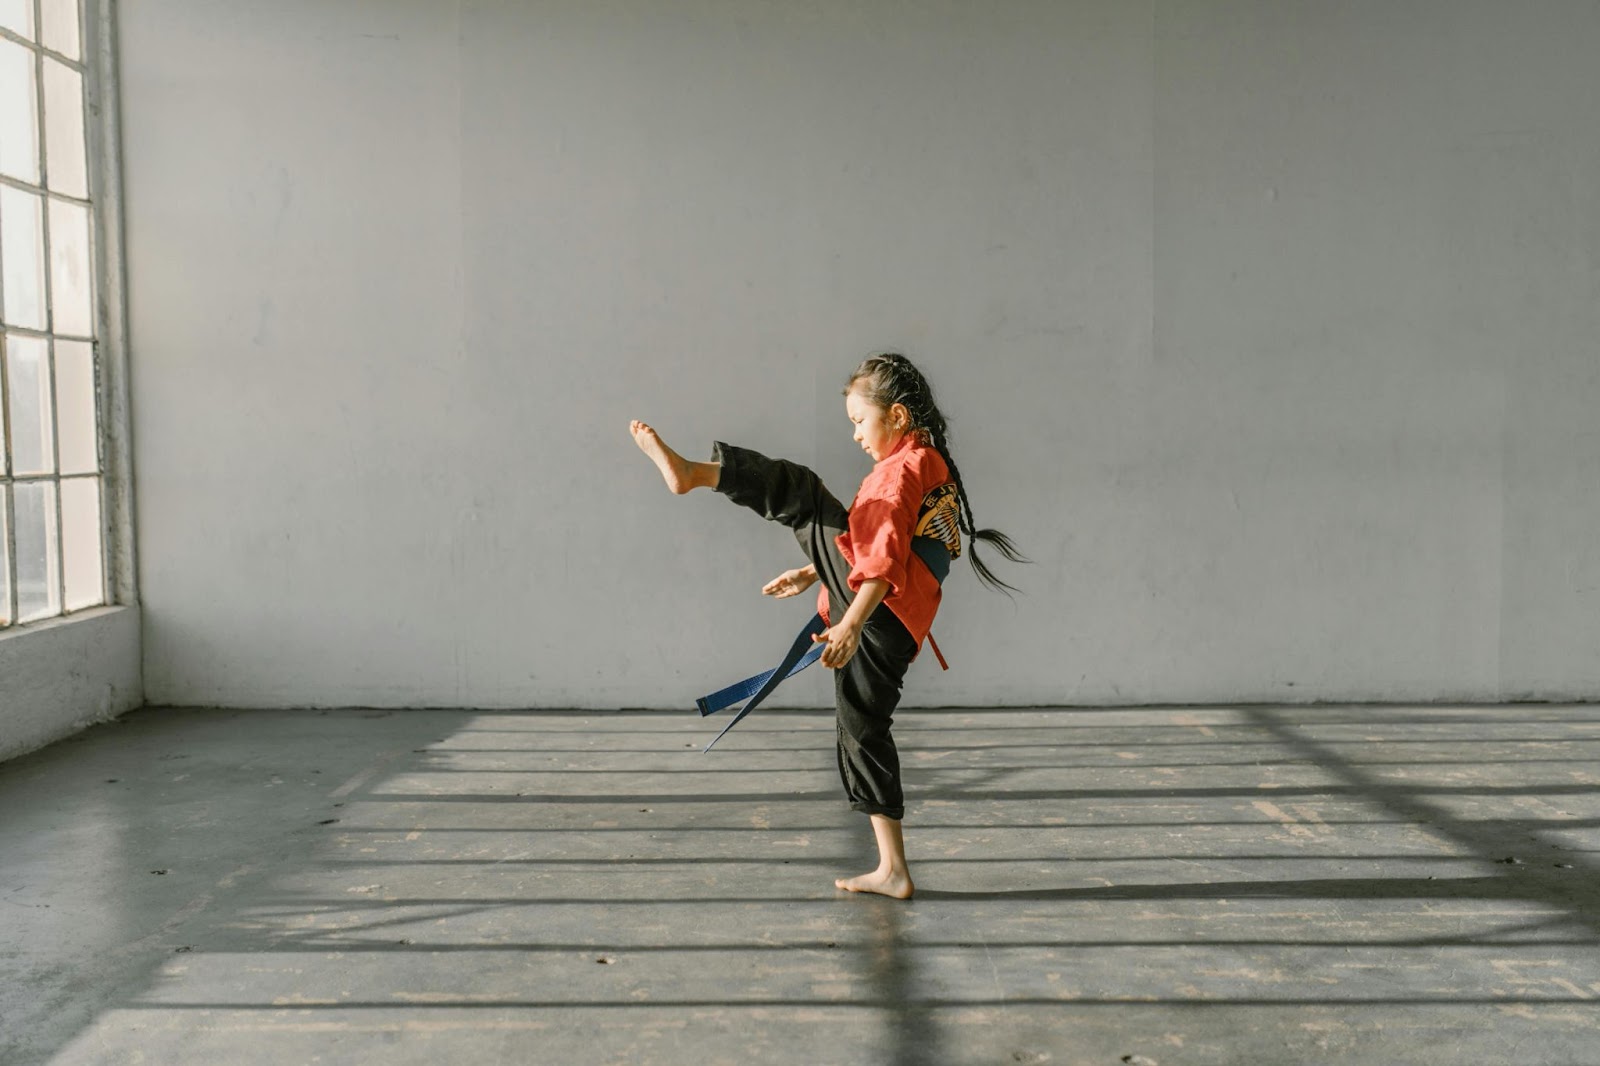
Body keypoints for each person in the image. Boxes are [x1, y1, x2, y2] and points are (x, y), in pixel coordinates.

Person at [630, 352, 1023, 899]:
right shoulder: (926, 465)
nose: (857, 436)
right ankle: (893, 869)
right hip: (894, 619)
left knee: (800, 492)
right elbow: (886, 546)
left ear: (899, 417)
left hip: (880, 611)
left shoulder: (900, 470)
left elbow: (883, 555)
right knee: (862, 728)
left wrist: (851, 624)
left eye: (861, 421)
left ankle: (695, 474)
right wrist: (815, 569)